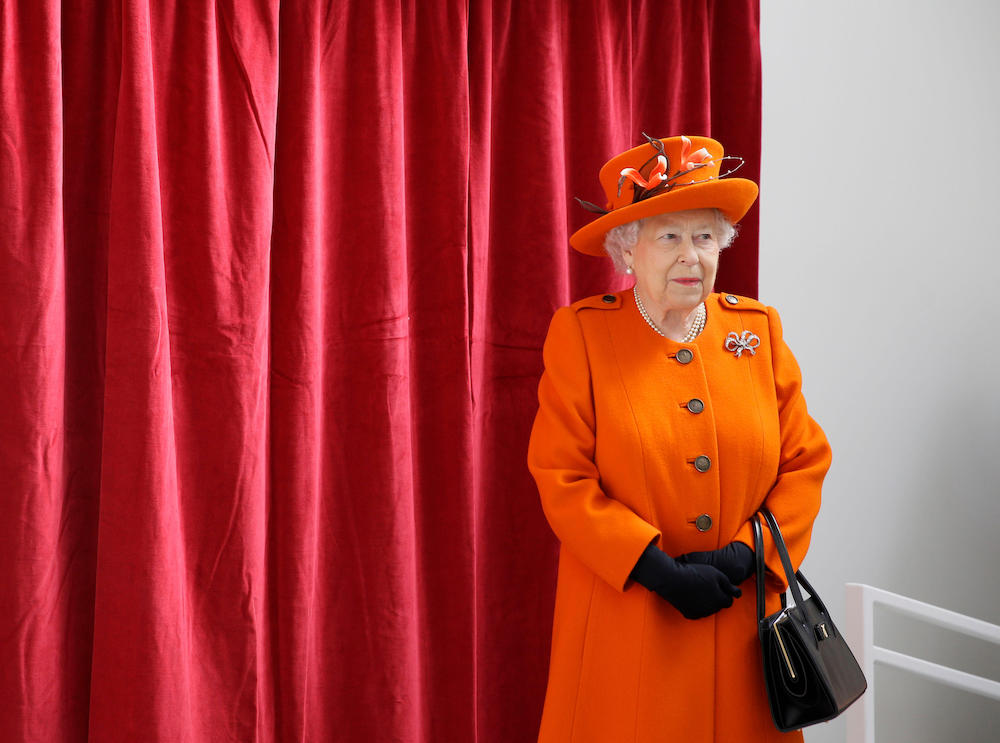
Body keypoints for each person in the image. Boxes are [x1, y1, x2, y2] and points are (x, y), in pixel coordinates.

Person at [527, 135, 831, 742]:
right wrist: (655, 569)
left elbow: (804, 463)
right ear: (627, 251)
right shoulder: (583, 337)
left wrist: (750, 554)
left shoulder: (758, 332)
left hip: (743, 625)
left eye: (704, 236)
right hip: (631, 620)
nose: (690, 256)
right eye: (668, 236)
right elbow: (561, 477)